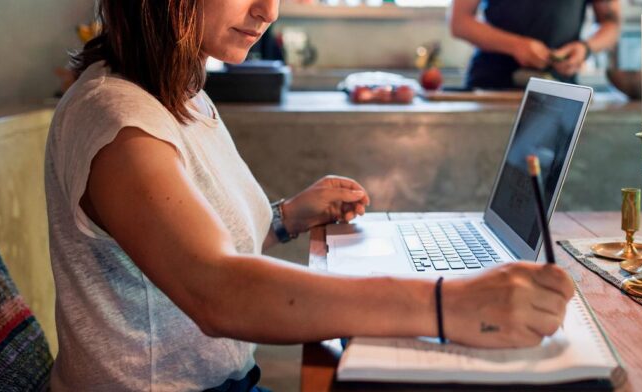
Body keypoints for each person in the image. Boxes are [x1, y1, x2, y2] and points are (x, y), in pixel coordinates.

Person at [45, 0, 575, 390]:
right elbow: (216, 289)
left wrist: (286, 217)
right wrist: (448, 304)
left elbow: (184, 244)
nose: (268, 10)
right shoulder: (118, 119)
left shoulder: (180, 95)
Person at [451, 0, 621, 89]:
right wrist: (515, 45)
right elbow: (459, 22)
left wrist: (585, 48)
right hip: (492, 85)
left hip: (559, 89)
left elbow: (612, 25)